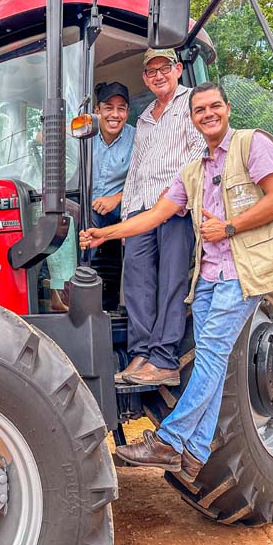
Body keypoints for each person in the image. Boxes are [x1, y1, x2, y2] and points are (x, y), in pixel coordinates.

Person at [80, 82, 273, 479]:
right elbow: (155, 215)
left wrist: (229, 228)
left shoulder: (252, 144)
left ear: (227, 109)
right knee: (214, 358)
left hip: (242, 273)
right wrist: (103, 234)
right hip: (209, 276)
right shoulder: (193, 171)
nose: (208, 114)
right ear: (191, 119)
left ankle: (171, 440)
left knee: (210, 353)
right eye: (200, 111)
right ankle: (194, 454)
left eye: (215, 107)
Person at [116, 48, 206, 386]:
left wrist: (175, 197)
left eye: (164, 68)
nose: (158, 75)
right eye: (151, 71)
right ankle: (142, 353)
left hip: (174, 209)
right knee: (137, 281)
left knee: (172, 281)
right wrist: (127, 219)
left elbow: (198, 154)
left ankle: (165, 359)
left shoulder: (190, 104)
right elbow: (135, 170)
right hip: (143, 209)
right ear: (144, 77)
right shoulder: (145, 119)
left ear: (178, 69)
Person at [89, 81, 136, 311]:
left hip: (120, 210)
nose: (115, 115)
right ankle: (70, 296)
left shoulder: (136, 139)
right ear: (97, 110)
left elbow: (147, 181)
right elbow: (42, 138)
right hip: (86, 209)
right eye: (109, 107)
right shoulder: (84, 132)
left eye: (122, 108)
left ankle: (110, 304)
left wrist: (117, 198)